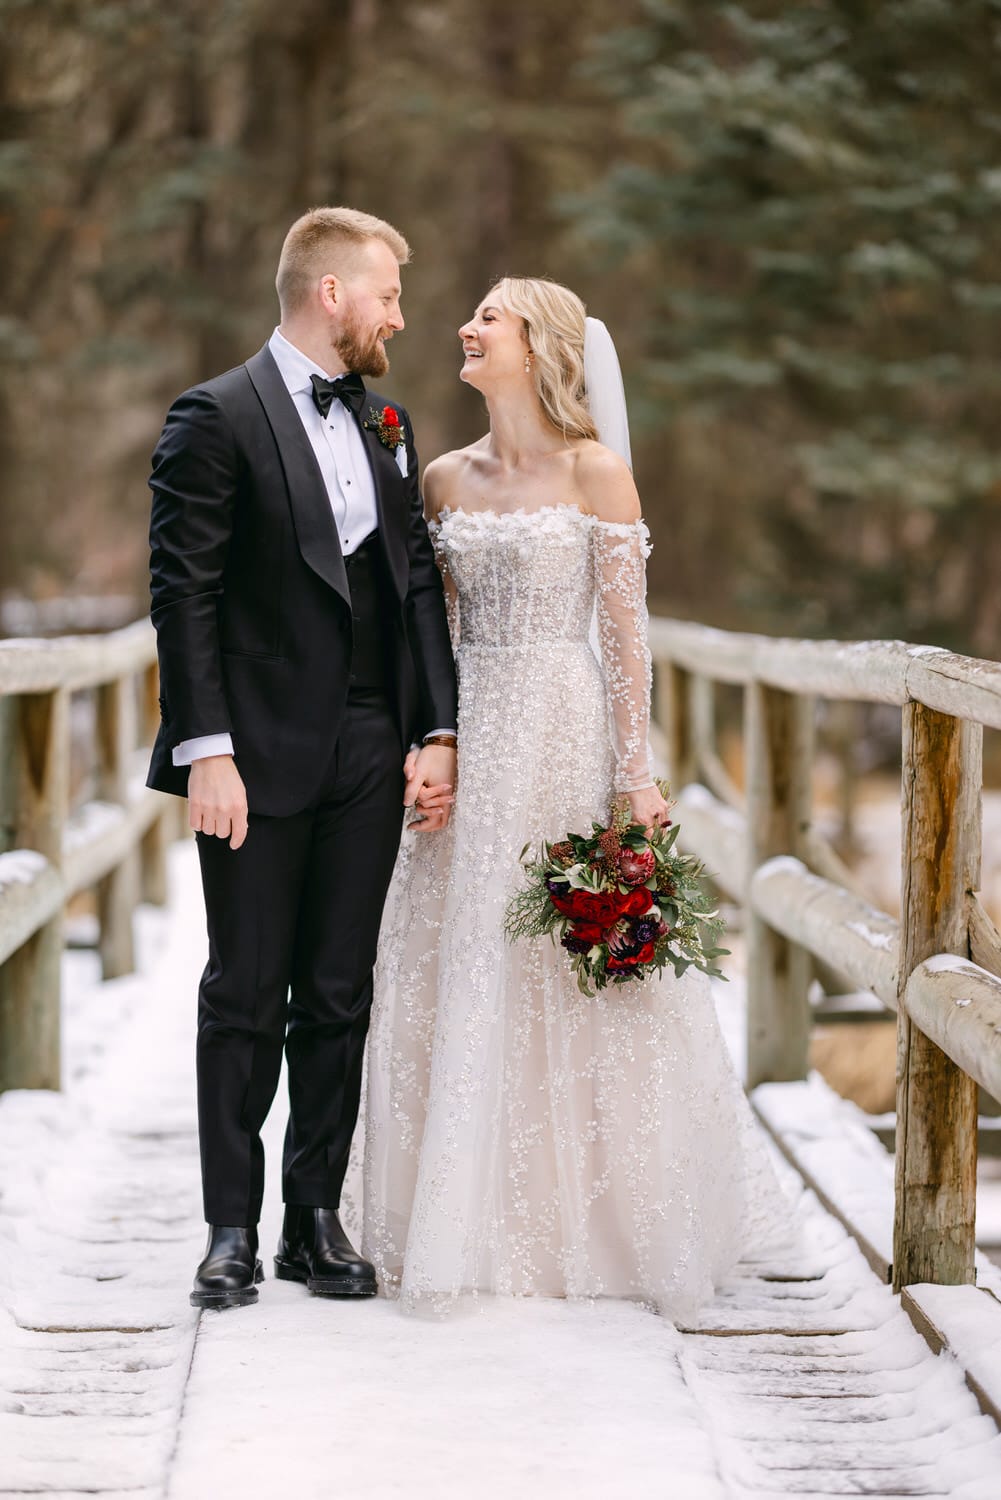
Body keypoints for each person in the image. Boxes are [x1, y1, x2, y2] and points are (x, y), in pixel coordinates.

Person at [363, 277, 783, 1320]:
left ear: (540, 344)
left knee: (566, 960)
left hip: (565, 734)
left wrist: (633, 776)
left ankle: (591, 1223)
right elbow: (430, 633)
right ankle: (460, 1216)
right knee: (460, 951)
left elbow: (625, 639)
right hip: (475, 734)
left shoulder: (598, 473)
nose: (464, 327)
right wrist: (435, 740)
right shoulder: (445, 481)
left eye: (487, 317)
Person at [147, 206, 458, 1310]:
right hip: (254, 751)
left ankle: (311, 1219)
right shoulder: (213, 417)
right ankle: (228, 1228)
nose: (399, 317)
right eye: (385, 295)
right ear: (331, 294)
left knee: (338, 990)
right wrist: (207, 752)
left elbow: (413, 580)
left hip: (370, 746)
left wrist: (435, 729)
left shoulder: (386, 418)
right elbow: (181, 598)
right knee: (243, 989)